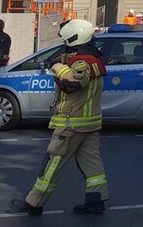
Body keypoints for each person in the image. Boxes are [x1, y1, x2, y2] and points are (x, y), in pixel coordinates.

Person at [9, 19, 109, 216]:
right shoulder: (93, 59)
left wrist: (57, 67)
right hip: (89, 123)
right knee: (92, 166)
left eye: (66, 41)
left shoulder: (82, 63)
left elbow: (74, 84)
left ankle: (34, 202)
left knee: (52, 163)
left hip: (71, 123)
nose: (65, 44)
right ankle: (95, 201)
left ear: (74, 39)